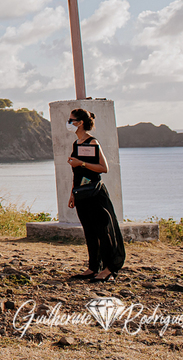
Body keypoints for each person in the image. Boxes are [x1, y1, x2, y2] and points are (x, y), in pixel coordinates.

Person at [67, 108, 125, 281]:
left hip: (94, 193)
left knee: (102, 230)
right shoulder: (76, 144)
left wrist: (82, 163)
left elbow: (103, 168)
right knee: (89, 231)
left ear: (80, 122)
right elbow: (76, 174)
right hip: (81, 193)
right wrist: (72, 194)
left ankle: (108, 268)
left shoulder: (93, 143)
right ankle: (93, 267)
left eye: (71, 120)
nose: (68, 123)